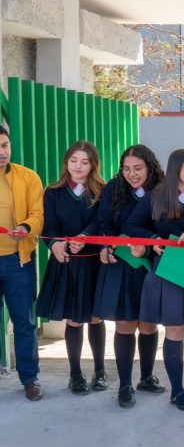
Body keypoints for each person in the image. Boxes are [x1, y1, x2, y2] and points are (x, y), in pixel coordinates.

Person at [125, 149, 184, 411]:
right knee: (175, 329)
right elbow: (133, 226)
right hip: (169, 268)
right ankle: (177, 391)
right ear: (175, 169)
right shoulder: (156, 196)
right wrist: (153, 240)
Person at [93, 145, 166, 408]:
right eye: (126, 169)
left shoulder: (162, 189)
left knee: (148, 324)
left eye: (138, 168)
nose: (132, 174)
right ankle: (125, 385)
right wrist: (106, 246)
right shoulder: (113, 189)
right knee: (125, 324)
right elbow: (104, 224)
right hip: (121, 265)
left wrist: (148, 246)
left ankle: (146, 377)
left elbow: (166, 226)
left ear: (150, 167)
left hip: (149, 265)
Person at [37, 141, 107, 395]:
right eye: (73, 160)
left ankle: (100, 371)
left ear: (93, 165)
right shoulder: (53, 192)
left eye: (85, 162)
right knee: (74, 319)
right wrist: (55, 244)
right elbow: (49, 226)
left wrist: (85, 237)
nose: (78, 166)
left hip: (93, 261)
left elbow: (102, 222)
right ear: (66, 162)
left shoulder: (102, 192)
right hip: (67, 262)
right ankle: (75, 374)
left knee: (96, 317)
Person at [0, 125, 45, 401]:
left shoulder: (28, 177)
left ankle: (30, 379)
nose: (2, 152)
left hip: (19, 260)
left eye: (5, 145)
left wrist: (27, 227)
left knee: (24, 322)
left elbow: (37, 214)